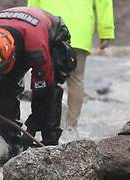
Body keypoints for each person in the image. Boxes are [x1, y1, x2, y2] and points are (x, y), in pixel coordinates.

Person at [0, 7, 76, 163]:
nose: (0, 72)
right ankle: (11, 148)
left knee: (50, 92)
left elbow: (44, 87)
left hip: (50, 34)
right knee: (3, 90)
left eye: (2, 68)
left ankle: (50, 145)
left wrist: (31, 127)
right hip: (16, 33)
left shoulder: (36, 49)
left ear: (14, 54)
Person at [27, 0, 115, 134]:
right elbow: (104, 2)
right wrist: (106, 32)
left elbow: (34, 2)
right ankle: (71, 127)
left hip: (49, 27)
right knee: (76, 79)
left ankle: (45, 125)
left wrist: (30, 25)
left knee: (46, 77)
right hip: (80, 29)